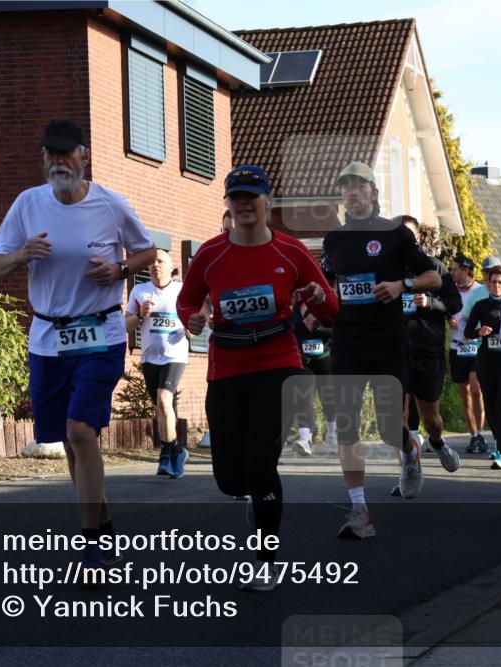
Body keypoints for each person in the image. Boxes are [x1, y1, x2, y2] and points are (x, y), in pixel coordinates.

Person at [0, 119, 156, 568]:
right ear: (43, 159)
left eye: (66, 154)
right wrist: (22, 255)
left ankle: (93, 547)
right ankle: (101, 524)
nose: (58, 162)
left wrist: (120, 271)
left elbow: (146, 252)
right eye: (50, 154)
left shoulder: (110, 204)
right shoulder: (27, 204)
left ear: (84, 157)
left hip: (101, 331)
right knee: (70, 440)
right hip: (48, 336)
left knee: (82, 430)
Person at [177, 165, 337, 590]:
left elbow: (331, 310)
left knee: (261, 463)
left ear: (268, 201)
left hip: (278, 364)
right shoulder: (210, 255)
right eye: (237, 197)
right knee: (230, 478)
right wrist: (191, 319)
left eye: (253, 196)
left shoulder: (293, 251)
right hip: (227, 367)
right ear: (228, 203)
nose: (245, 203)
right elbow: (187, 300)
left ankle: (266, 558)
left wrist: (320, 298)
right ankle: (251, 496)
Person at [320, 161, 440, 538]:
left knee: (391, 427)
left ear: (373, 193)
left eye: (360, 186)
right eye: (347, 187)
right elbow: (325, 281)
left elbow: (434, 276)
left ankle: (409, 451)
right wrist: (315, 299)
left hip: (388, 341)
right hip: (348, 341)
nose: (353, 192)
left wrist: (402, 284)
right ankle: (359, 509)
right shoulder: (334, 240)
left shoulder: (395, 235)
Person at [397, 215, 463, 480]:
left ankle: (436, 441)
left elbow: (455, 303)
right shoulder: (387, 270)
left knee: (431, 418)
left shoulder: (436, 268)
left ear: (418, 239)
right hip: (397, 349)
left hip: (428, 350)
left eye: (408, 235)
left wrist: (431, 303)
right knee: (397, 415)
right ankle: (408, 468)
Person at [126, 249, 189, 477]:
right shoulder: (139, 291)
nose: (156, 266)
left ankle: (166, 453)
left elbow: (196, 314)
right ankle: (176, 451)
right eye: (152, 263)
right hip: (150, 357)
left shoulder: (181, 290)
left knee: (164, 400)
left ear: (171, 266)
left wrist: (192, 327)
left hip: (175, 354)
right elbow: (125, 326)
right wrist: (141, 315)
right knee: (161, 408)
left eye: (160, 261)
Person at [465, 265, 501, 470]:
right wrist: (480, 331)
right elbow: (467, 331)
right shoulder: (480, 305)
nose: (496, 285)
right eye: (493, 282)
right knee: (490, 407)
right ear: (488, 283)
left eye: (500, 282)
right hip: (487, 360)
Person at [197, 210, 235, 451]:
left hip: (257, 342)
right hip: (222, 341)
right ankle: (219, 432)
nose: (228, 235)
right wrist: (206, 314)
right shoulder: (212, 256)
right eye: (224, 230)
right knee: (221, 390)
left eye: (232, 230)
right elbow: (195, 296)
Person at [448, 255, 490, 453]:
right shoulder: (450, 291)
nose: (452, 272)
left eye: (455, 269)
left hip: (476, 346)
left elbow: (488, 315)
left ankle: (481, 433)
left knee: (476, 388)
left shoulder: (481, 290)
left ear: (466, 270)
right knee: (464, 393)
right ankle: (473, 435)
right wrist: (450, 320)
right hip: (457, 347)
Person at [291, 295, 338, 455]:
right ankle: (305, 439)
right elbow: (288, 330)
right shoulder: (293, 307)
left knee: (329, 400)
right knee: (303, 398)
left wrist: (318, 327)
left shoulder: (324, 306)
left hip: (324, 357)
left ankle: (332, 435)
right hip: (303, 359)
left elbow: (336, 329)